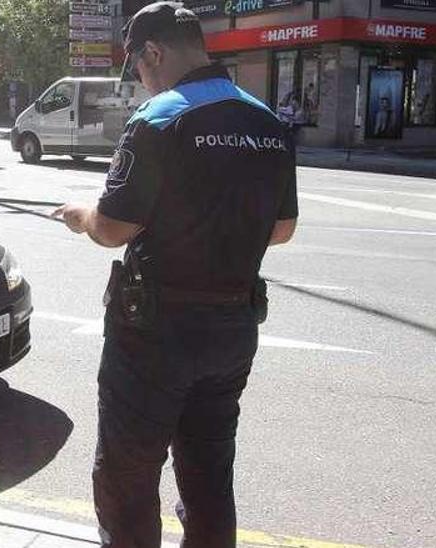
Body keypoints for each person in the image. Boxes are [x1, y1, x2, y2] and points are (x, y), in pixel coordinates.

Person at [50, 3, 297, 547]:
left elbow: (113, 227)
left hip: (155, 332)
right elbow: (282, 230)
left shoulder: (160, 119)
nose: (139, 81)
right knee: (209, 471)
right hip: (232, 329)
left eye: (137, 68)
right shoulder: (268, 123)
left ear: (154, 53)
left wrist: (80, 215)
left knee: (129, 474)